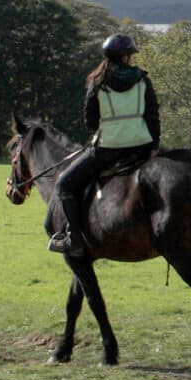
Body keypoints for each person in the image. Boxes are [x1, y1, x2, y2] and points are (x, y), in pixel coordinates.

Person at [48, 34, 161, 256]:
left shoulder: (97, 82)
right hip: (141, 146)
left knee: (64, 184)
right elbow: (153, 116)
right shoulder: (143, 80)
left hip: (108, 149)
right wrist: (153, 146)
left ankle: (75, 239)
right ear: (126, 57)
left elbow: (90, 121)